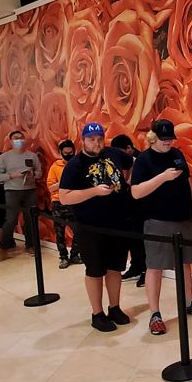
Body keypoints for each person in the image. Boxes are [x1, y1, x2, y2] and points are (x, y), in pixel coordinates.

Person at [130, 120, 192, 335]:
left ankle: (189, 302)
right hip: (157, 220)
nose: (168, 142)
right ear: (153, 137)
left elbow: (187, 181)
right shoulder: (143, 160)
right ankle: (155, 313)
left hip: (183, 217)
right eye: (164, 139)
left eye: (170, 138)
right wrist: (162, 177)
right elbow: (136, 192)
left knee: (186, 262)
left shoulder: (177, 154)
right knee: (155, 266)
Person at [58, 122, 135, 332]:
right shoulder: (75, 165)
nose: (96, 142)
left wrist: (126, 182)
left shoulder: (114, 154)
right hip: (90, 226)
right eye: (92, 139)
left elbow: (131, 163)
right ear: (82, 140)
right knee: (95, 270)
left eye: (100, 138)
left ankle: (115, 307)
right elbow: (64, 197)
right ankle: (97, 313)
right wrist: (94, 192)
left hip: (118, 222)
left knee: (115, 267)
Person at [0, 130, 41, 257]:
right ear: (10, 140)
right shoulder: (3, 157)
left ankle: (31, 245)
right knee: (11, 219)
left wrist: (33, 175)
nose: (19, 140)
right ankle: (4, 246)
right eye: (16, 138)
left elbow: (39, 173)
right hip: (12, 191)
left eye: (21, 138)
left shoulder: (32, 156)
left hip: (30, 190)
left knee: (30, 219)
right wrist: (11, 175)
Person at [112, 133, 146, 286]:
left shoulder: (141, 160)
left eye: (121, 152)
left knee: (142, 239)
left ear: (129, 148)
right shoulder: (118, 162)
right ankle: (136, 266)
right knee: (132, 239)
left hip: (141, 207)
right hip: (126, 207)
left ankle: (145, 270)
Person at [47, 139, 82, 269]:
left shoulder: (78, 164)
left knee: (78, 230)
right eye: (65, 153)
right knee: (59, 232)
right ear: (60, 153)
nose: (68, 155)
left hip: (75, 201)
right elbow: (50, 188)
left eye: (70, 152)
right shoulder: (55, 167)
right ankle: (63, 257)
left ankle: (74, 255)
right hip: (58, 202)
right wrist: (64, 181)